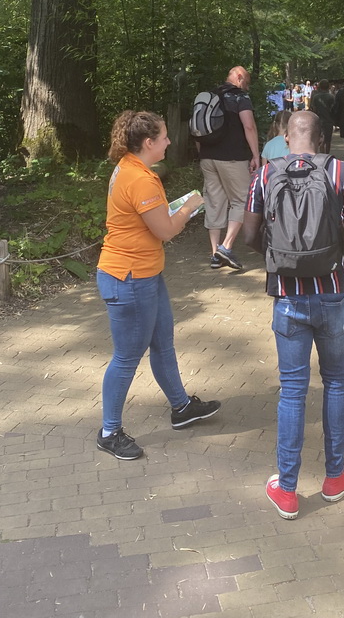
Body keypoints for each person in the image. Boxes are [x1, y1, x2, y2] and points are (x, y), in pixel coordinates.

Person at [243, 112, 344, 520]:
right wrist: (332, 240)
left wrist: (282, 256)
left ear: (284, 135)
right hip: (333, 292)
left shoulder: (265, 175)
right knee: (336, 383)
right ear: (323, 138)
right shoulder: (340, 172)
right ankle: (335, 476)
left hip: (287, 297)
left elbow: (248, 235)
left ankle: (288, 488)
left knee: (293, 391)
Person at [95, 111, 220, 461]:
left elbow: (151, 221)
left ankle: (181, 407)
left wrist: (174, 210)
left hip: (145, 275)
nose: (168, 141)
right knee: (126, 357)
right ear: (149, 143)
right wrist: (191, 206)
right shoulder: (141, 179)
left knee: (163, 343)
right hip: (129, 279)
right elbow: (165, 230)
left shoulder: (132, 166)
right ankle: (109, 431)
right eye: (164, 137)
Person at [198, 65, 260, 271]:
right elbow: (249, 126)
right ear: (240, 77)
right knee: (242, 199)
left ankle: (215, 253)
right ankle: (226, 246)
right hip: (232, 157)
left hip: (207, 157)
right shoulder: (240, 98)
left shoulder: (210, 95)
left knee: (214, 202)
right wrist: (256, 155)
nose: (246, 87)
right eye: (246, 83)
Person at [309, 79, 336, 151]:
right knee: (328, 140)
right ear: (328, 87)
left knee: (320, 138)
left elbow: (313, 109)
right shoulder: (331, 97)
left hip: (318, 120)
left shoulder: (316, 97)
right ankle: (327, 154)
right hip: (328, 120)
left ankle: (321, 151)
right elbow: (334, 109)